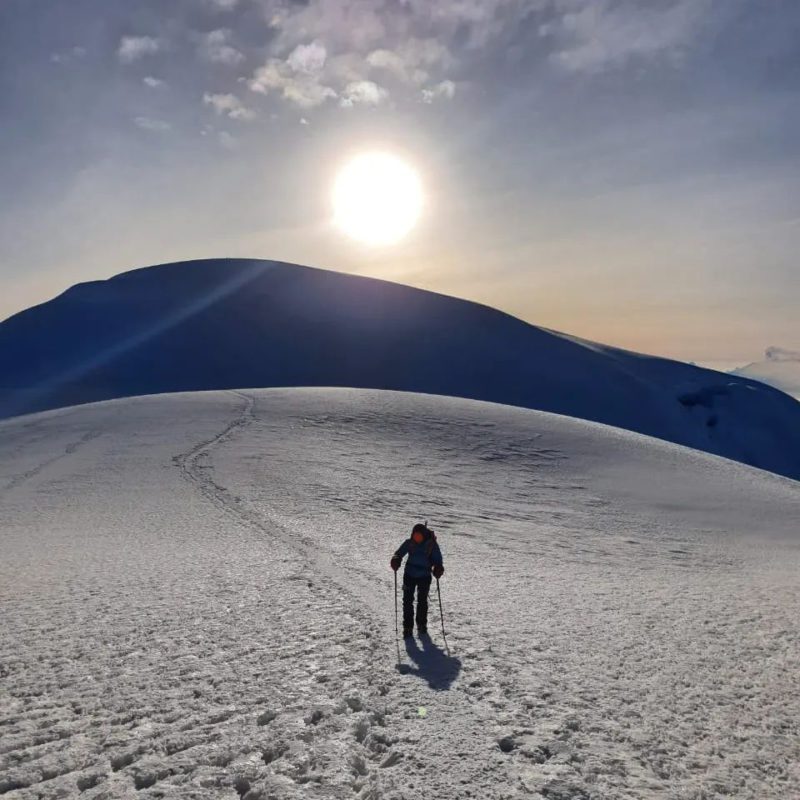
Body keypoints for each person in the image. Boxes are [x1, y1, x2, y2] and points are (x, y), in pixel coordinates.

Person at [390, 523, 444, 638]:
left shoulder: (431, 545)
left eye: (418, 536)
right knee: (408, 600)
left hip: (424, 576)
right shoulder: (410, 543)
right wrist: (396, 559)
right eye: (415, 536)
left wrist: (438, 568)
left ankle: (421, 624)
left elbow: (437, 560)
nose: (416, 539)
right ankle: (408, 626)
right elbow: (399, 553)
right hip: (410, 574)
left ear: (424, 535)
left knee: (422, 600)